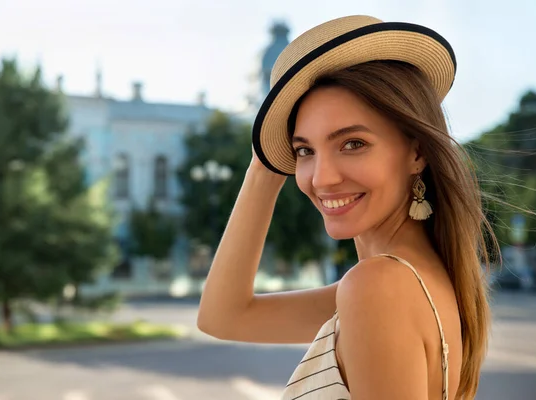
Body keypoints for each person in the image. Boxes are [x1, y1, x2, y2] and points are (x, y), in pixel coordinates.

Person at [197, 15, 496, 400]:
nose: (321, 178)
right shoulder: (408, 279)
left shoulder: (378, 287)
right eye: (304, 150)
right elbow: (223, 317)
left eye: (352, 144)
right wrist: (264, 163)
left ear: (417, 151)